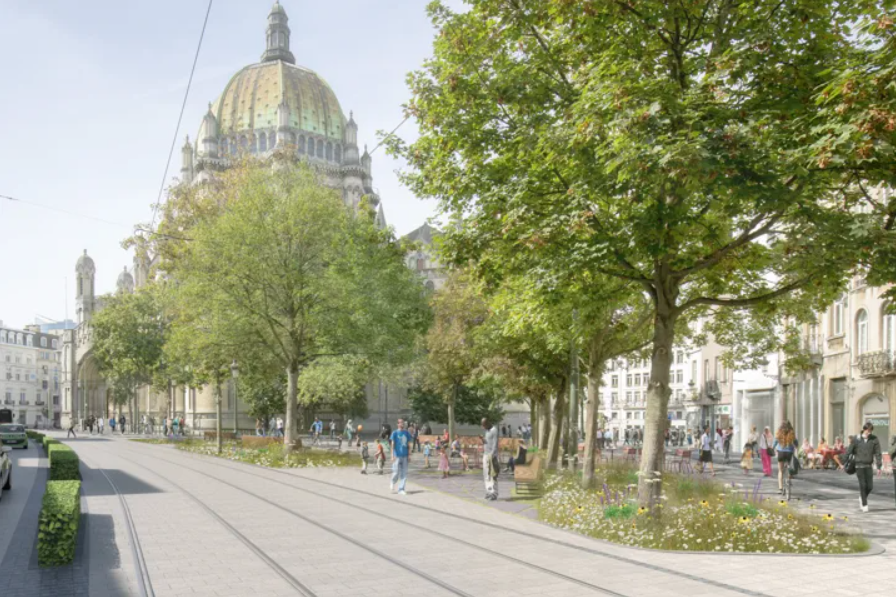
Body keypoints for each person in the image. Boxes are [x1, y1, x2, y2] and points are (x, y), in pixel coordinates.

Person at [847, 422, 882, 513]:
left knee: (870, 486)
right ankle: (864, 504)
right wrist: (843, 462)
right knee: (863, 485)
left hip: (868, 465)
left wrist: (879, 466)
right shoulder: (857, 439)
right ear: (864, 429)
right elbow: (849, 451)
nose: (869, 433)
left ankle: (862, 497)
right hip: (859, 465)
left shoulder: (874, 439)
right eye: (867, 431)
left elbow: (878, 453)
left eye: (870, 431)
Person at [773, 421, 797, 495]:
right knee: (789, 467)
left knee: (780, 470)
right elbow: (796, 443)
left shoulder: (779, 432)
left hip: (781, 452)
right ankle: (789, 479)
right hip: (789, 452)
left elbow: (775, 442)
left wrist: (772, 448)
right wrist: (795, 446)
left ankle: (780, 489)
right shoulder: (791, 433)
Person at [389, 419, 412, 495]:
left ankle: (401, 489)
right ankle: (392, 482)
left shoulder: (406, 433)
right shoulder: (395, 433)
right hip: (397, 456)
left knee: (404, 473)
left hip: (405, 456)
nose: (402, 424)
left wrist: (409, 455)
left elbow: (409, 444)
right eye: (400, 423)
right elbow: (392, 445)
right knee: (396, 472)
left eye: (403, 423)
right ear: (397, 424)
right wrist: (392, 456)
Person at [482, 418, 499, 500]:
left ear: (488, 423)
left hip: (491, 456)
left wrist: (492, 455)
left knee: (493, 475)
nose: (483, 427)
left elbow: (495, 444)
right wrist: (483, 440)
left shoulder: (494, 430)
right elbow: (487, 442)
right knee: (486, 475)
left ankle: (494, 493)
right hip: (485, 455)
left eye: (484, 425)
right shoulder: (487, 431)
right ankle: (489, 491)